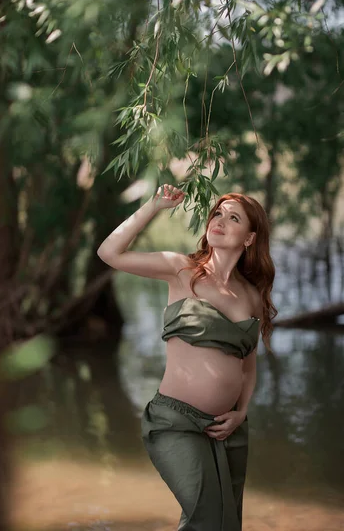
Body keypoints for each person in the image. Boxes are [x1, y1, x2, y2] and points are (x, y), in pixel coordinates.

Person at [97, 183, 277, 531]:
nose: (220, 220)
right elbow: (109, 252)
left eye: (233, 217)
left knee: (226, 523)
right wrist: (153, 206)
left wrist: (241, 413)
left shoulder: (251, 297)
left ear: (250, 238)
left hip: (227, 428)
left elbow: (248, 366)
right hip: (174, 422)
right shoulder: (181, 269)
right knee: (206, 517)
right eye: (217, 214)